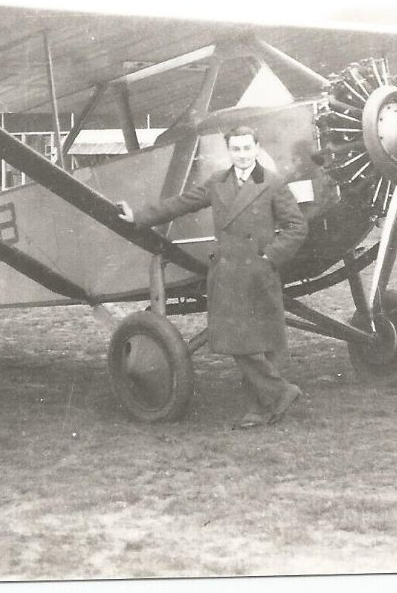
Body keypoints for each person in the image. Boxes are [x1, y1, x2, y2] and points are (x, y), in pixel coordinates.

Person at [117, 126, 309, 428]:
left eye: (247, 148)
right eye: (236, 149)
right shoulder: (218, 182)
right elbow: (179, 204)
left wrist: (270, 257)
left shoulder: (272, 183)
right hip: (227, 273)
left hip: (258, 273)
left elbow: (297, 226)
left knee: (260, 340)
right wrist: (139, 216)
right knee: (233, 339)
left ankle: (260, 408)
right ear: (228, 151)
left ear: (257, 148)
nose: (243, 155)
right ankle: (279, 393)